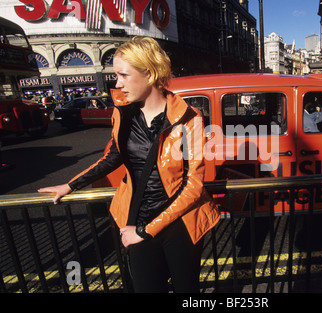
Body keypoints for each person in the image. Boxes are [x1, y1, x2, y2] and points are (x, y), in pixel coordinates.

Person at [38, 36, 220, 293]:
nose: (118, 83)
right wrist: (70, 185)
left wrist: (146, 231)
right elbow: (113, 157)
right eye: (116, 75)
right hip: (136, 218)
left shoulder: (189, 118)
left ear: (149, 74)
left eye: (123, 75)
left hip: (180, 221)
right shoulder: (122, 114)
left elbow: (193, 185)